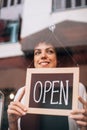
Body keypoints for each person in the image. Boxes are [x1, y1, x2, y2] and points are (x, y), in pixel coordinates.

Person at [7, 42, 87, 130]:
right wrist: (12, 123)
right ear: (33, 60)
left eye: (50, 51)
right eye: (37, 53)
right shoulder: (23, 92)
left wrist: (85, 127)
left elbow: (81, 125)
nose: (43, 56)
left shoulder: (77, 87)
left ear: (58, 59)